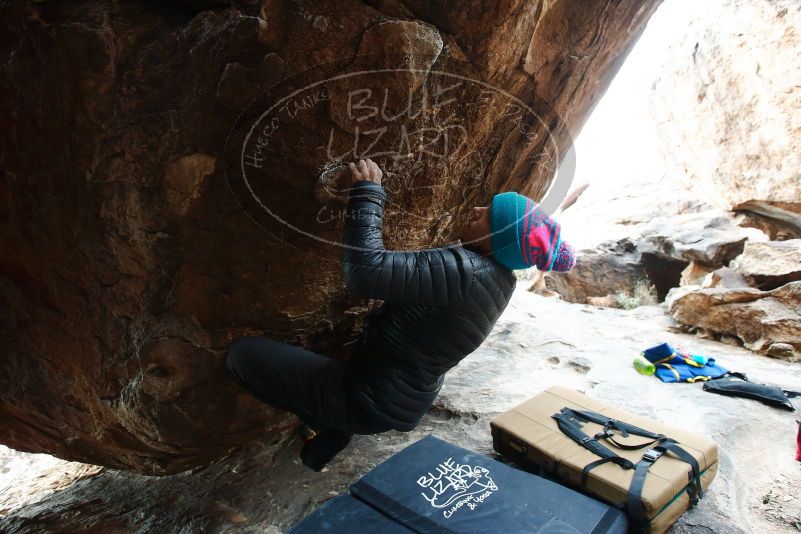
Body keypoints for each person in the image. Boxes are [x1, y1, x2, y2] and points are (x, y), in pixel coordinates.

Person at [226, 158, 576, 471]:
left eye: (488, 215)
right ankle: (329, 439)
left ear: (495, 241)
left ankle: (333, 423)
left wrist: (368, 193)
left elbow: (366, 272)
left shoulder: (465, 271)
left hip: (363, 398)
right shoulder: (499, 280)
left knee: (241, 356)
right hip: (389, 400)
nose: (476, 209)